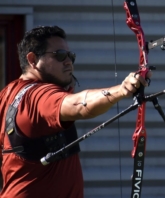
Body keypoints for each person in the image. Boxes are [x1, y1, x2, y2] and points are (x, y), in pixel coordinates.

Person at [0, 26, 149, 198]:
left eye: (71, 56)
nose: (68, 61)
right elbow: (78, 104)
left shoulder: (8, 94)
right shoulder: (38, 96)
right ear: (33, 60)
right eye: (60, 55)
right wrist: (122, 90)